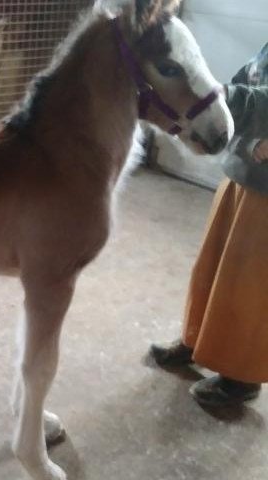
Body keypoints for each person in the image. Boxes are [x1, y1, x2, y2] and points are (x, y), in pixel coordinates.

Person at [150, 43, 268, 407]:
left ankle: (242, 376)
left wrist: (218, 97)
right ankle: (196, 341)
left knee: (251, 286)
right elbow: (245, 81)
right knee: (213, 269)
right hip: (242, 173)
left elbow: (255, 99)